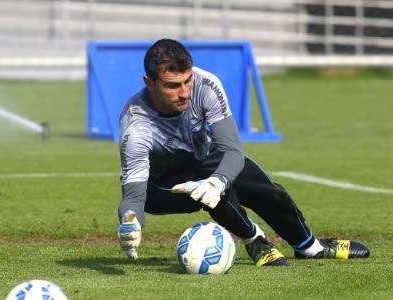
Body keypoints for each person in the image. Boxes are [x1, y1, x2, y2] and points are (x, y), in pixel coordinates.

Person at [116, 38, 370, 266]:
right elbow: (134, 197)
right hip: (160, 185)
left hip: (201, 156)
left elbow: (232, 151)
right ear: (149, 83)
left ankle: (310, 247)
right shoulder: (136, 127)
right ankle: (255, 240)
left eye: (187, 81)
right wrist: (130, 222)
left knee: (264, 189)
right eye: (173, 86)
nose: (184, 93)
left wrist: (217, 181)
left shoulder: (205, 84)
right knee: (206, 193)